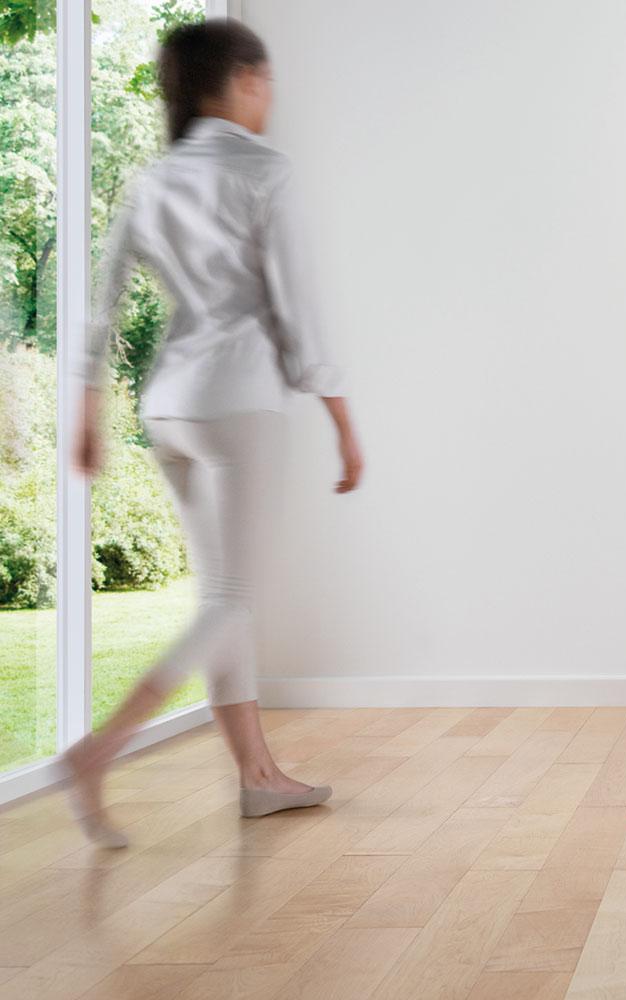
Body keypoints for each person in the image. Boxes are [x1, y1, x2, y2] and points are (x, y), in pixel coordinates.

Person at [62, 19, 362, 848]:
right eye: (264, 80)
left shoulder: (152, 180)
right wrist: (341, 417)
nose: (271, 96)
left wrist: (86, 405)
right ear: (238, 80)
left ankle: (259, 777)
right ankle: (100, 749)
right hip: (238, 401)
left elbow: (103, 297)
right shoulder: (265, 169)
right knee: (231, 600)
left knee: (223, 600)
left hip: (169, 406)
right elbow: (296, 309)